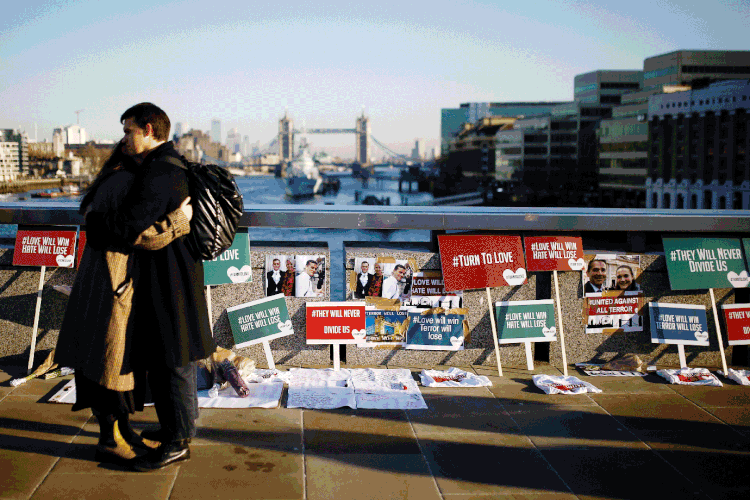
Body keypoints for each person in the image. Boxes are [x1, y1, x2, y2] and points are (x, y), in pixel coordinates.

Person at [85, 103, 216, 471]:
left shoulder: (158, 172)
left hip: (166, 277)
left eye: (129, 130)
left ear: (148, 129)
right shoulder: (174, 163)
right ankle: (181, 428)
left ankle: (176, 443)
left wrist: (94, 226)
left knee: (169, 360)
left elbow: (129, 228)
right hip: (179, 272)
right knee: (180, 356)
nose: (124, 137)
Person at [54, 140, 194, 466]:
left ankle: (121, 432)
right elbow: (140, 234)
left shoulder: (110, 178)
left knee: (102, 360)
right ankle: (111, 439)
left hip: (97, 280)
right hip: (113, 282)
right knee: (111, 364)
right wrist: (180, 219)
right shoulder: (126, 183)